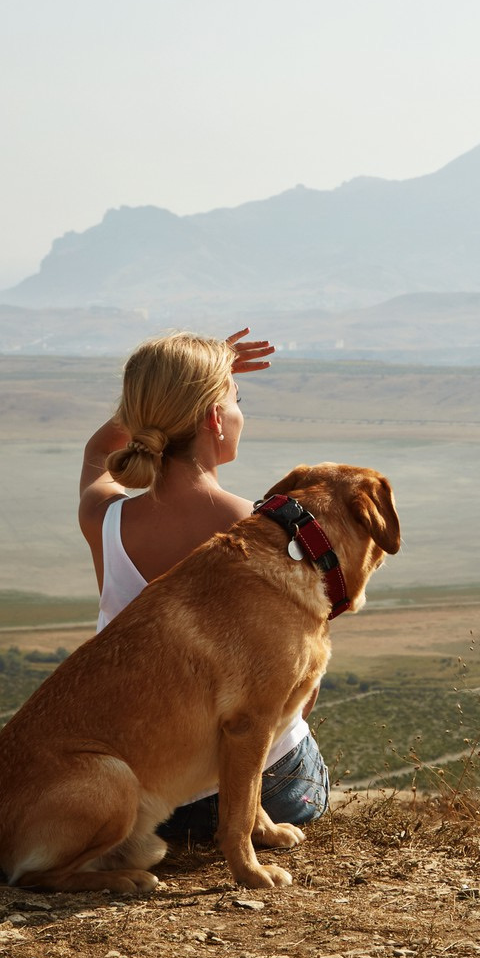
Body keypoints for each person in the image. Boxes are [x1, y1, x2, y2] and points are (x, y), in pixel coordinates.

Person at [77, 327, 328, 842]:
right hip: (271, 789)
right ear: (215, 419)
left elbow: (97, 450)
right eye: (236, 400)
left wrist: (172, 384)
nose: (241, 414)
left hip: (149, 799)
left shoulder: (102, 517)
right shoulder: (266, 529)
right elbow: (299, 687)